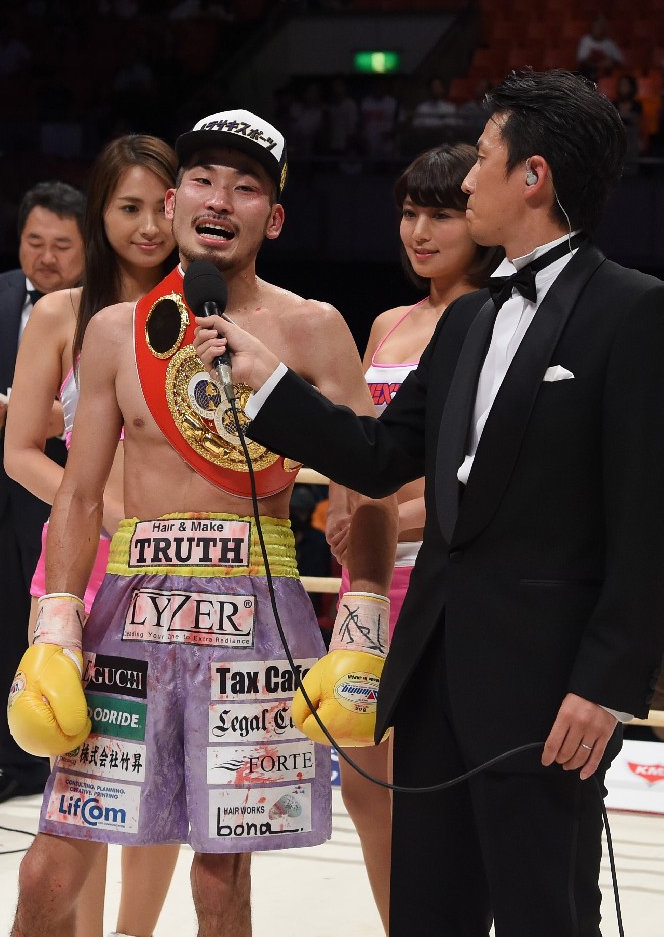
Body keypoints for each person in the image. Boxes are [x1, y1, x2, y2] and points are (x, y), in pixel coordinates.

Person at [194, 69, 664, 936]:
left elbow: (646, 522)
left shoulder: (633, 311)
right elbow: (377, 458)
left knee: (545, 914)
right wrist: (267, 383)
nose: (470, 178)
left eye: (484, 157)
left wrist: (605, 686)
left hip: (549, 690)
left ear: (534, 177)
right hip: (433, 672)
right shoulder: (468, 322)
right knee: (427, 911)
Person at [7, 108, 396, 937]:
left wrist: (362, 627)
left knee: (221, 885)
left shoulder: (313, 328)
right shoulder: (113, 332)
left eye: (244, 187)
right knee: (49, 866)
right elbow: (79, 496)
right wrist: (56, 626)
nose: (219, 198)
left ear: (274, 218)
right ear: (174, 199)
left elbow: (369, 485)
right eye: (202, 179)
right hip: (129, 606)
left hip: (257, 610)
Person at [5, 135, 180, 937]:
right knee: (80, 782)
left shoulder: (205, 318)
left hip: (176, 576)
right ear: (100, 214)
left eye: (161, 207)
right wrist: (106, 516)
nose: (148, 226)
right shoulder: (58, 314)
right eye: (127, 207)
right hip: (77, 570)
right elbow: (20, 452)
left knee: (160, 785)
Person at [325, 144, 501, 931]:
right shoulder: (388, 323)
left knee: (438, 792)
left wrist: (385, 518)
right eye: (408, 213)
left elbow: (486, 466)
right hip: (366, 578)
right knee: (364, 788)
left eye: (440, 214)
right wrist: (346, 511)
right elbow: (361, 444)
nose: (419, 232)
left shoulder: (499, 320)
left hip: (447, 574)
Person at [0, 180, 85, 806]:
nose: (46, 256)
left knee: (74, 633)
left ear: (87, 248)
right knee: (0, 634)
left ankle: (76, 765)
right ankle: (12, 765)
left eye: (61, 245)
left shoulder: (105, 306)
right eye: (34, 241)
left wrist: (61, 418)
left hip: (70, 492)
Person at [577, 15, 623, 81]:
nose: (598, 29)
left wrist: (610, 62)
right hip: (588, 73)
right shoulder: (586, 40)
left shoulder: (610, 43)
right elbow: (581, 60)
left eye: (600, 27)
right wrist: (595, 63)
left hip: (605, 74)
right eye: (596, 26)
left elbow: (619, 62)